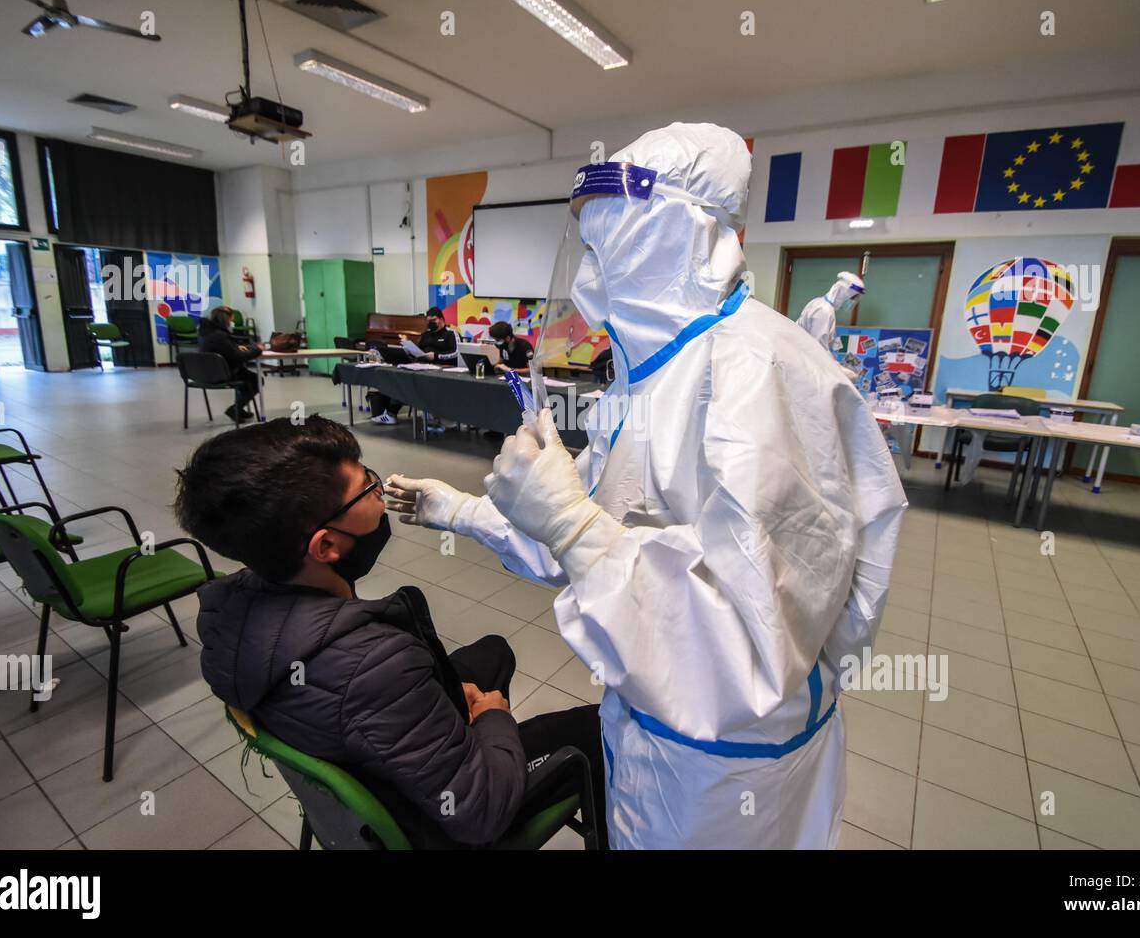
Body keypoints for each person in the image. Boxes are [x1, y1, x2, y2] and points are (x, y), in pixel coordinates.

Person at [385, 122, 907, 849]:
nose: (587, 274)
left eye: (605, 243)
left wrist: (571, 524)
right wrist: (468, 510)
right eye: (586, 247)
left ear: (672, 234)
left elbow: (749, 651)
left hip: (730, 770)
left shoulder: (757, 375)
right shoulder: (648, 379)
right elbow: (601, 548)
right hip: (648, 725)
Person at [174, 416, 608, 849]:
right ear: (326, 546)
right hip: (448, 818)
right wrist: (492, 718)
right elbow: (479, 813)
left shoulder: (225, 610)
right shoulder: (377, 665)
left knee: (494, 652)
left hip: (368, 746)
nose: (381, 494)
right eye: (367, 488)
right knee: (598, 727)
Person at [368, 306, 459, 431]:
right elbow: (418, 351)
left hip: (443, 369)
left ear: (441, 319)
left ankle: (431, 415)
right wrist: (408, 349)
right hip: (423, 366)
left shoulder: (450, 333)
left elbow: (456, 352)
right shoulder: (426, 334)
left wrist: (436, 356)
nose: (431, 323)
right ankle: (390, 414)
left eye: (433, 320)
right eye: (429, 320)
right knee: (402, 380)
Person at [198, 306, 263, 421]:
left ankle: (239, 409)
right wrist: (258, 350)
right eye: (232, 320)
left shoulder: (207, 333)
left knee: (244, 375)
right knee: (256, 380)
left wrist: (235, 347)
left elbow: (224, 349)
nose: (233, 323)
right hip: (220, 375)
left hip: (204, 374)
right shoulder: (220, 335)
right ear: (227, 320)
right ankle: (235, 409)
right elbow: (239, 357)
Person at [797, 271, 865, 354]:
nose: (852, 302)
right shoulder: (824, 311)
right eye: (852, 298)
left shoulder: (820, 302)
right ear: (844, 294)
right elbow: (817, 349)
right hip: (803, 356)